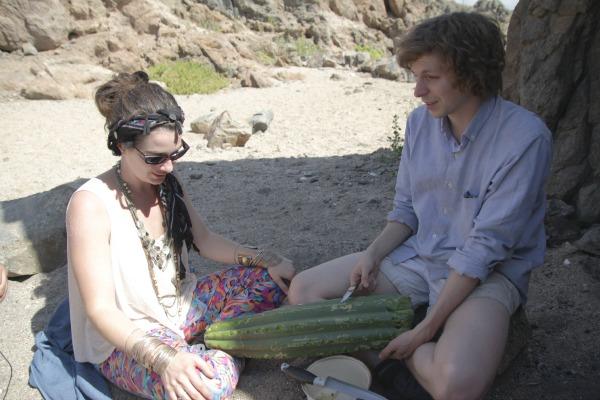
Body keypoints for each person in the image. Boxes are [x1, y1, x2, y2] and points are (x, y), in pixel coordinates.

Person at [288, 11, 552, 400]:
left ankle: (389, 353)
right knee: (304, 291)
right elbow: (407, 210)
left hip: (489, 274)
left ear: (471, 71)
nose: (417, 91)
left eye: (430, 77)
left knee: (457, 386)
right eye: (415, 76)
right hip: (419, 257)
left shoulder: (525, 139)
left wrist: (425, 328)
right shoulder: (419, 124)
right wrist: (373, 255)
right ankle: (389, 362)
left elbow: (485, 250)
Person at [66, 71, 295, 400]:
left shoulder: (167, 184)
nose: (169, 167)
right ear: (121, 145)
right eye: (155, 158)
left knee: (273, 279)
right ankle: (230, 347)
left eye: (176, 153)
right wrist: (165, 360)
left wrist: (264, 258)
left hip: (182, 307)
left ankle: (219, 345)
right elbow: (101, 310)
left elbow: (205, 240)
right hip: (130, 336)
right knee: (208, 388)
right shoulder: (90, 204)